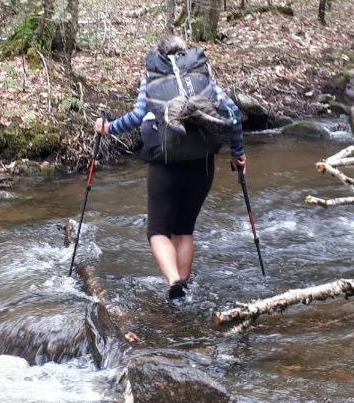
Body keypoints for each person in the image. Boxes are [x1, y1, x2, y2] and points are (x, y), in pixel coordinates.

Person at [94, 33, 246, 303]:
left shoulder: (153, 78)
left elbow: (137, 116)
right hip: (202, 164)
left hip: (165, 164)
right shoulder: (201, 76)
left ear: (160, 57)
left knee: (157, 231)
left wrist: (108, 128)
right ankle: (183, 292)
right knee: (184, 229)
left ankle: (174, 281)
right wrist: (238, 153)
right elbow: (232, 113)